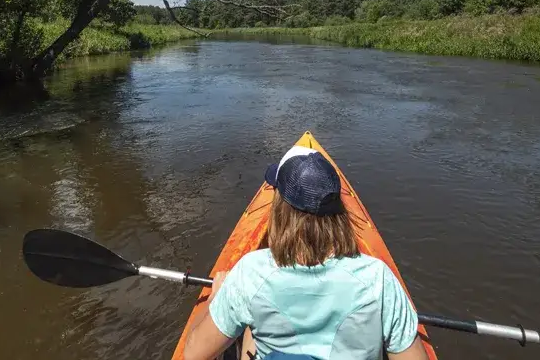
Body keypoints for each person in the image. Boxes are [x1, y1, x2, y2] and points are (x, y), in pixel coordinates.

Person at [184, 146, 430, 360]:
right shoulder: (379, 279)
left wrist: (217, 297)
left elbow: (193, 354)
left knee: (249, 327)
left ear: (280, 209)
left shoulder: (251, 273)